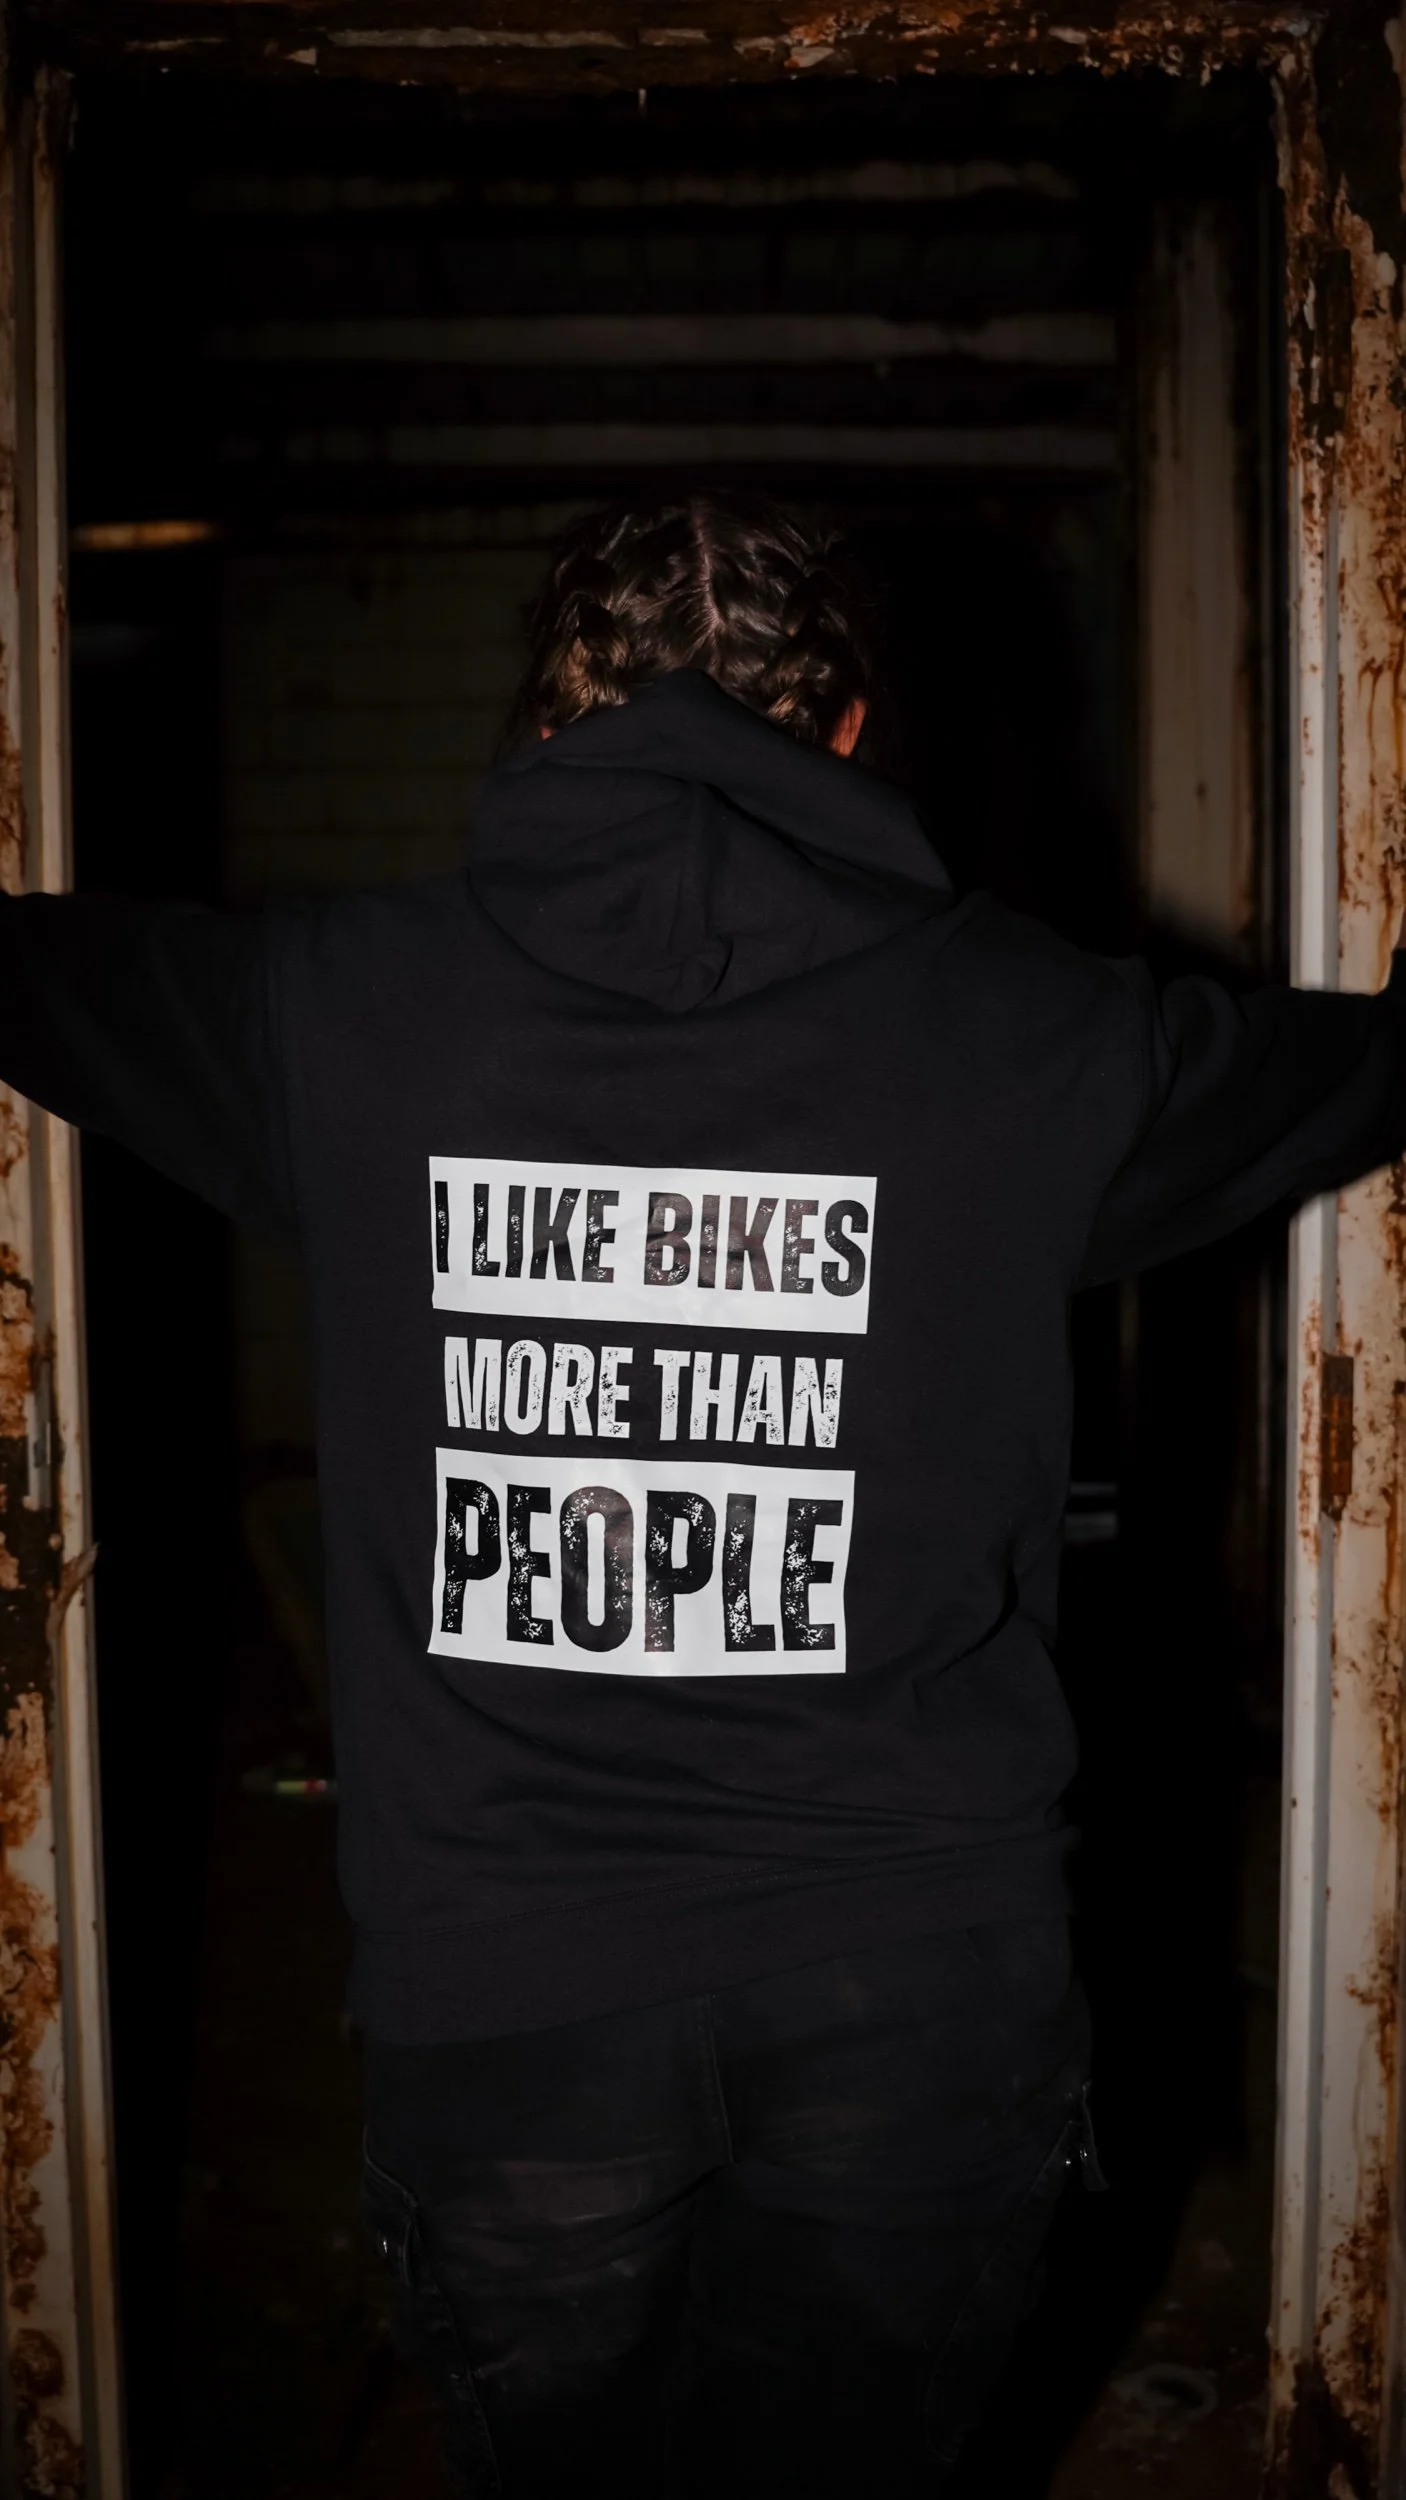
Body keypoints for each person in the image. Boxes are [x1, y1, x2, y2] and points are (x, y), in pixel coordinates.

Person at [2, 491, 1404, 2499]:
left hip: (507, 2001)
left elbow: (41, 974)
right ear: (845, 731)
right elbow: (1357, 1071)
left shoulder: (325, 1006)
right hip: (915, 1981)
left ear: (544, 717)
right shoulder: (1040, 1031)